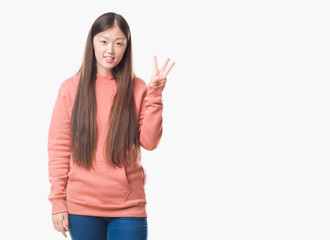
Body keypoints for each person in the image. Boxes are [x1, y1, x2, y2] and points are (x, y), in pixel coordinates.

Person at [47, 12, 175, 240]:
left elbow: (150, 142)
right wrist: (58, 202)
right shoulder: (70, 88)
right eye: (103, 41)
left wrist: (155, 94)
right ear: (92, 42)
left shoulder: (138, 87)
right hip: (82, 207)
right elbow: (59, 148)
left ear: (127, 47)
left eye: (119, 43)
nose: (110, 50)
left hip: (128, 207)